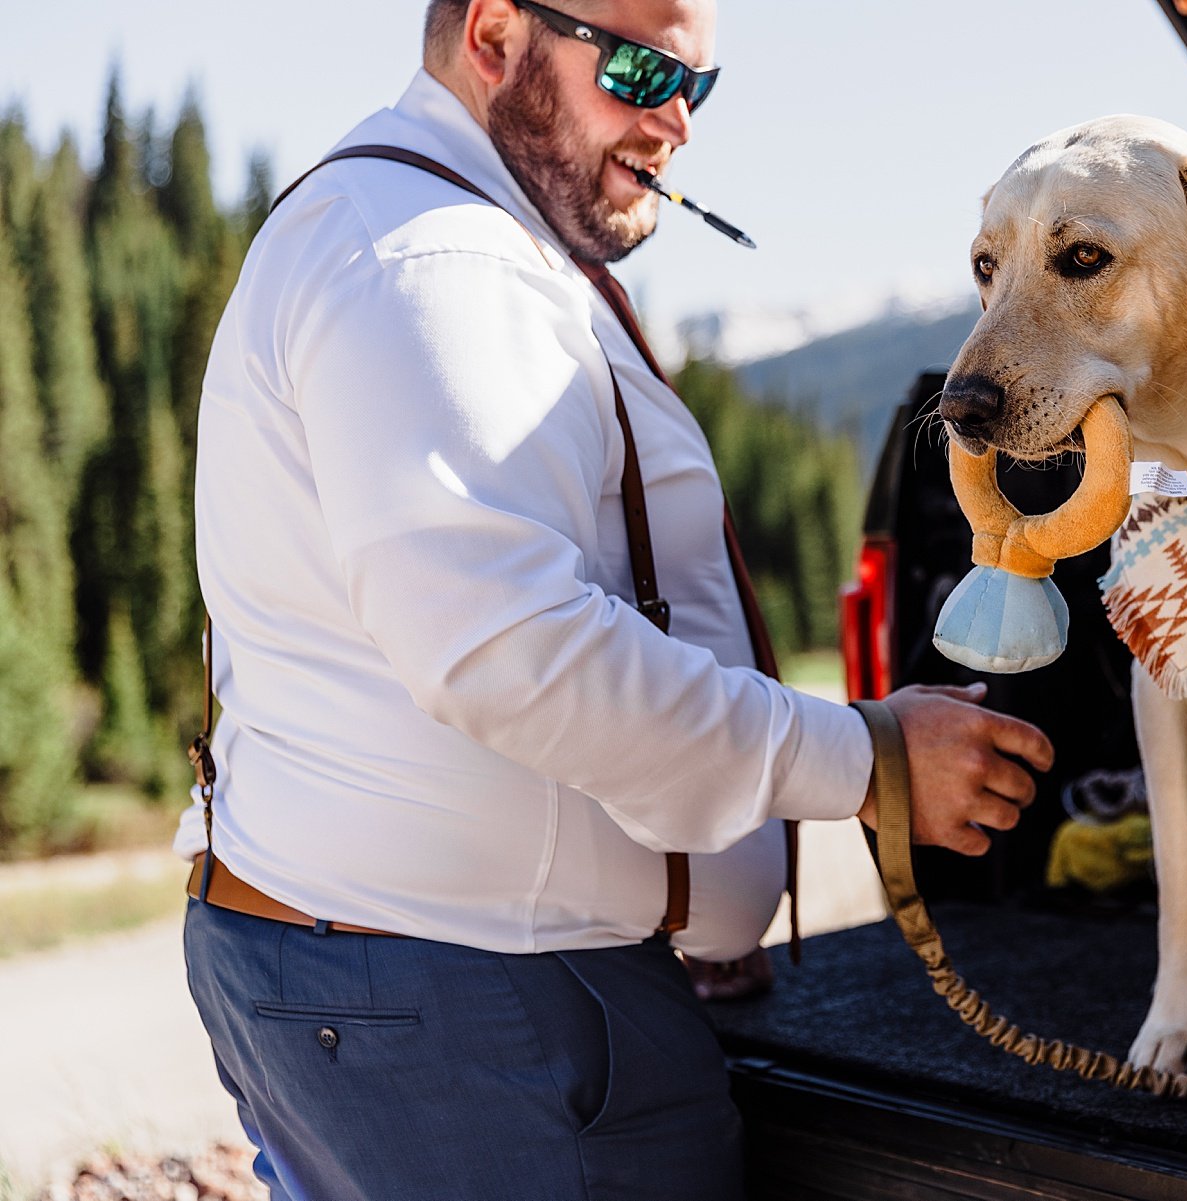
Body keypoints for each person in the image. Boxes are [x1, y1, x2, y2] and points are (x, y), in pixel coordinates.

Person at [177, 2, 1053, 1198]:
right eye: (642, 70)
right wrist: (866, 755)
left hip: (424, 977)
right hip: (472, 1007)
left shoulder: (434, 231)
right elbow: (509, 651)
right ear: (495, 35)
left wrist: (672, 897)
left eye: (702, 84)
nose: (678, 120)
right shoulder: (437, 258)